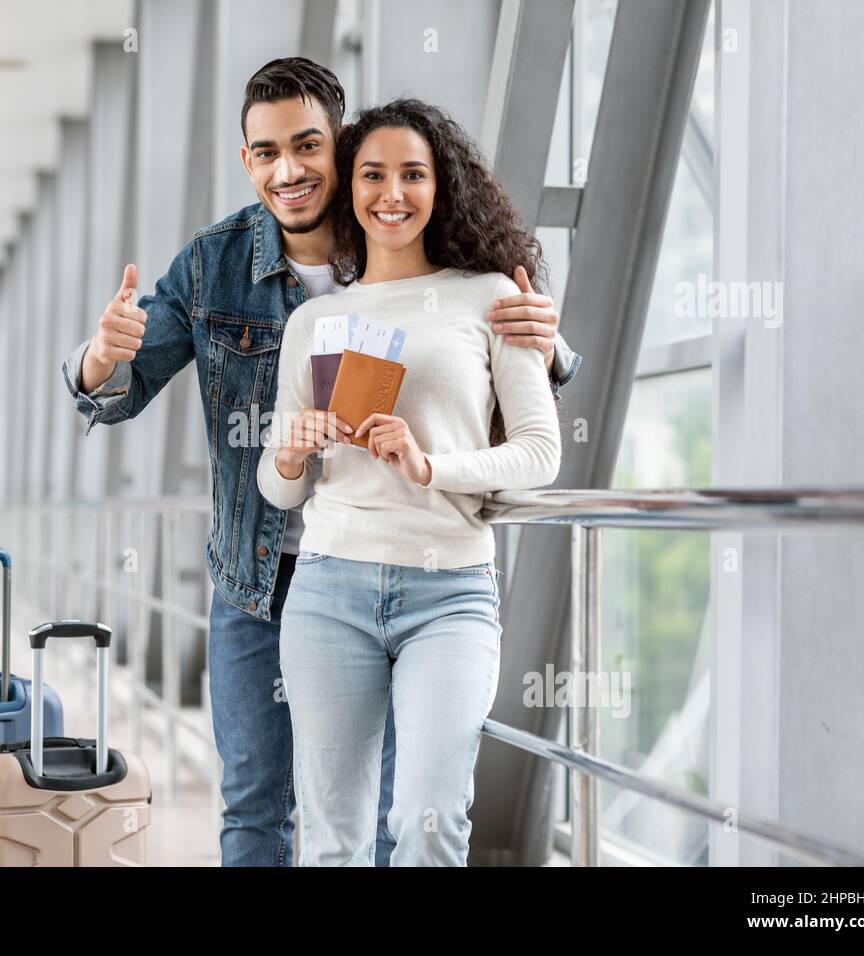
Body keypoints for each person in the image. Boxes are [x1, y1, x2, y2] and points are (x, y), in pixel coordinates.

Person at [63, 59, 582, 867]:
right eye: (266, 153)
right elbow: (122, 384)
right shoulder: (216, 264)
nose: (289, 170)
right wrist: (98, 360)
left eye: (308, 146)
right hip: (260, 575)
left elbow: (508, 343)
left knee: (400, 817)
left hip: (416, 564)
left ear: (340, 146)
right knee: (257, 806)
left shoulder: (405, 226)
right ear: (247, 161)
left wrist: (551, 343)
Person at [257, 98, 562, 866]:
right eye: (373, 175)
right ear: (348, 191)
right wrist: (290, 454)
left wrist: (433, 467)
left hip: (451, 592)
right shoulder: (314, 324)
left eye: (413, 174)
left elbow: (538, 453)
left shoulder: (494, 295)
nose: (392, 193)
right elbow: (278, 491)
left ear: (441, 187)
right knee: (332, 838)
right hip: (329, 592)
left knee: (429, 820)